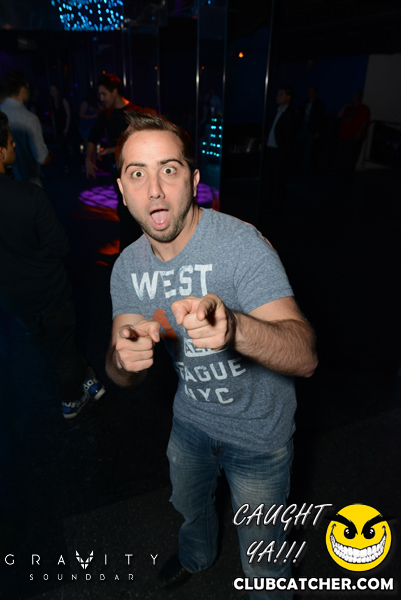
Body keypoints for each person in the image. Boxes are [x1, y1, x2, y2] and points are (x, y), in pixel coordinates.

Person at [105, 111, 318, 599]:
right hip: (190, 425)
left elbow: (304, 355)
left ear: (194, 180)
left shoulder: (241, 245)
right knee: (191, 509)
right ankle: (197, 557)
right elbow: (121, 367)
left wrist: (235, 328)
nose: (155, 190)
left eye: (169, 169)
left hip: (259, 437)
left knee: (264, 564)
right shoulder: (128, 267)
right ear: (122, 190)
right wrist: (123, 360)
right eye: (137, 174)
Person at [0, 111, 105, 419]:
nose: (14, 146)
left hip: (15, 298)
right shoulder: (29, 196)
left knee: (50, 344)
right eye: (10, 142)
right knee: (63, 346)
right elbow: (61, 246)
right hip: (49, 291)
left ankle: (85, 376)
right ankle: (71, 399)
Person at [85, 72, 145, 250]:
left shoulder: (135, 111)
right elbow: (92, 137)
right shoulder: (106, 113)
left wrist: (111, 150)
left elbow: (139, 142)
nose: (102, 98)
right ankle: (128, 252)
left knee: (136, 210)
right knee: (124, 210)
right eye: (100, 95)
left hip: (137, 170)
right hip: (118, 170)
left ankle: (137, 251)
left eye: (104, 94)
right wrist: (88, 159)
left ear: (115, 91)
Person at [0, 71, 53, 186]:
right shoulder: (29, 118)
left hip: (4, 185)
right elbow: (42, 159)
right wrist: (52, 155)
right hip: (27, 183)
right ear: (23, 89)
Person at [259, 85, 298, 225]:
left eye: (281, 94)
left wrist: (284, 153)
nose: (278, 96)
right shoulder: (277, 111)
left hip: (280, 152)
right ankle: (268, 204)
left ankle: (275, 207)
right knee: (270, 179)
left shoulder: (290, 114)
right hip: (271, 150)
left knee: (278, 180)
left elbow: (289, 137)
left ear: (288, 97)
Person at [337, 90, 371, 179]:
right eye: (353, 96)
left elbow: (365, 122)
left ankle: (348, 174)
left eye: (356, 96)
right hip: (345, 135)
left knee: (352, 156)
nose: (354, 98)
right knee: (343, 155)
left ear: (360, 97)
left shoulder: (364, 108)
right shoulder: (349, 108)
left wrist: (359, 133)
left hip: (355, 136)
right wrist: (345, 106)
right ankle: (341, 172)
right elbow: (339, 115)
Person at [295, 85, 326, 173]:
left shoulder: (318, 104)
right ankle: (297, 165)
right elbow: (299, 112)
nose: (309, 93)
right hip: (302, 127)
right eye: (309, 91)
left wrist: (318, 131)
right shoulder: (305, 102)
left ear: (315, 92)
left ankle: (305, 168)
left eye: (311, 91)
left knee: (309, 148)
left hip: (311, 128)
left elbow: (321, 119)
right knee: (299, 147)